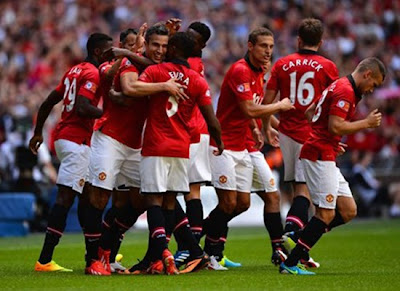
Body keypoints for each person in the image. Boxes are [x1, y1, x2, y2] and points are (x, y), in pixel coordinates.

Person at [84, 24, 186, 275]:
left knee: (143, 199)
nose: (160, 51)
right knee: (99, 197)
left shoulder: (152, 67)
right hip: (110, 137)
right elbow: (128, 88)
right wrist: (163, 86)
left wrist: (170, 36)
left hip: (135, 144)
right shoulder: (127, 65)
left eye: (164, 46)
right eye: (155, 45)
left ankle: (106, 250)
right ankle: (92, 261)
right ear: (145, 45)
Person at [280, 57, 385, 275]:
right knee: (325, 214)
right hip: (318, 155)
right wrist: (365, 124)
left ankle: (301, 236)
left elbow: (310, 112)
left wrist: (330, 140)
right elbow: (336, 125)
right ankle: (290, 263)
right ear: (367, 74)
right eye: (373, 84)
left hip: (324, 150)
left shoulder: (337, 85)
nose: (371, 90)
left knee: (347, 210)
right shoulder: (345, 91)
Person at [130, 31, 223, 275]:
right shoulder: (197, 80)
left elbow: (133, 87)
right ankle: (159, 257)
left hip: (156, 145)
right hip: (182, 148)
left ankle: (164, 254)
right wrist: (219, 140)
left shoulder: (156, 72)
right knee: (170, 202)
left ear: (172, 49)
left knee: (153, 201)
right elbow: (211, 119)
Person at [204, 27, 294, 269]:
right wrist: (279, 107)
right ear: (250, 46)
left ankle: (278, 250)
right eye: (263, 46)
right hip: (224, 145)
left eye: (271, 47)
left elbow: (252, 109)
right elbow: (249, 109)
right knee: (230, 204)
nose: (268, 51)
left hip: (246, 144)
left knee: (260, 198)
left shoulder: (259, 72)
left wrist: (261, 127)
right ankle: (199, 241)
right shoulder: (240, 71)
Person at [29, 33, 113, 274]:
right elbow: (83, 107)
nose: (111, 55)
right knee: (65, 199)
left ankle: (94, 255)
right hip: (75, 140)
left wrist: (38, 133)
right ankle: (45, 260)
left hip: (69, 139)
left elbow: (47, 102)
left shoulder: (73, 71)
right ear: (98, 52)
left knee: (87, 200)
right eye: (108, 51)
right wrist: (107, 116)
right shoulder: (92, 73)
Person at [264, 18, 339, 267]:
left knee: (298, 188)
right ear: (321, 41)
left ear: (298, 39)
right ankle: (293, 235)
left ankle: (296, 239)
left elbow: (267, 100)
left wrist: (266, 126)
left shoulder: (282, 64)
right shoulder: (328, 67)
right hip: (313, 135)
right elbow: (332, 107)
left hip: (287, 132)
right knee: (305, 191)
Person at [172, 21, 214, 267]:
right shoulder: (193, 63)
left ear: (202, 45)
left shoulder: (191, 64)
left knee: (184, 192)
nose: (188, 40)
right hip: (194, 131)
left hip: (193, 132)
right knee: (189, 192)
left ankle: (190, 248)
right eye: (185, 36)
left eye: (192, 38)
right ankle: (192, 248)